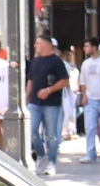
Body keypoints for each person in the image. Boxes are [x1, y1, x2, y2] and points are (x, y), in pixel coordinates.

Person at [25, 36, 69, 175]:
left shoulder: (56, 61)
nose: (35, 45)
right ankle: (41, 156)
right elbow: (30, 80)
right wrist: (26, 98)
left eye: (37, 42)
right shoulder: (35, 61)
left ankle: (51, 162)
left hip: (51, 104)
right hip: (34, 103)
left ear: (46, 44)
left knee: (51, 134)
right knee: (32, 131)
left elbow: (65, 81)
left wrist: (49, 90)